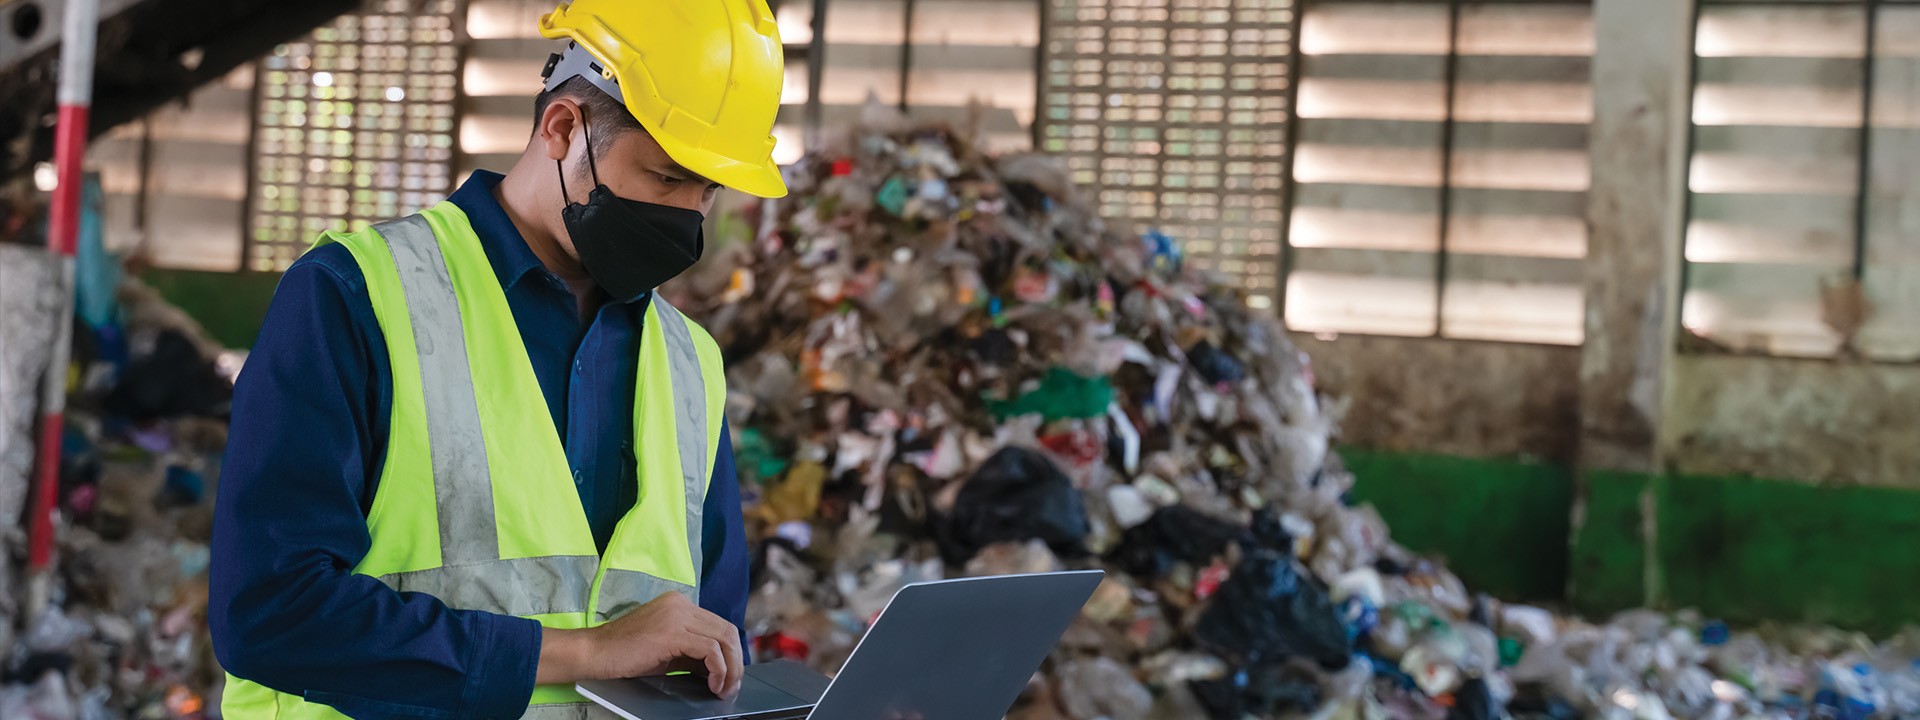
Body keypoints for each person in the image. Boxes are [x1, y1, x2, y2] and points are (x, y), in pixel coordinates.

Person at [207, 1, 788, 717]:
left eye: (709, 188)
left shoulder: (690, 364)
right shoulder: (356, 297)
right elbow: (269, 611)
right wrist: (583, 653)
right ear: (563, 128)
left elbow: (708, 647)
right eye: (668, 178)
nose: (689, 216)